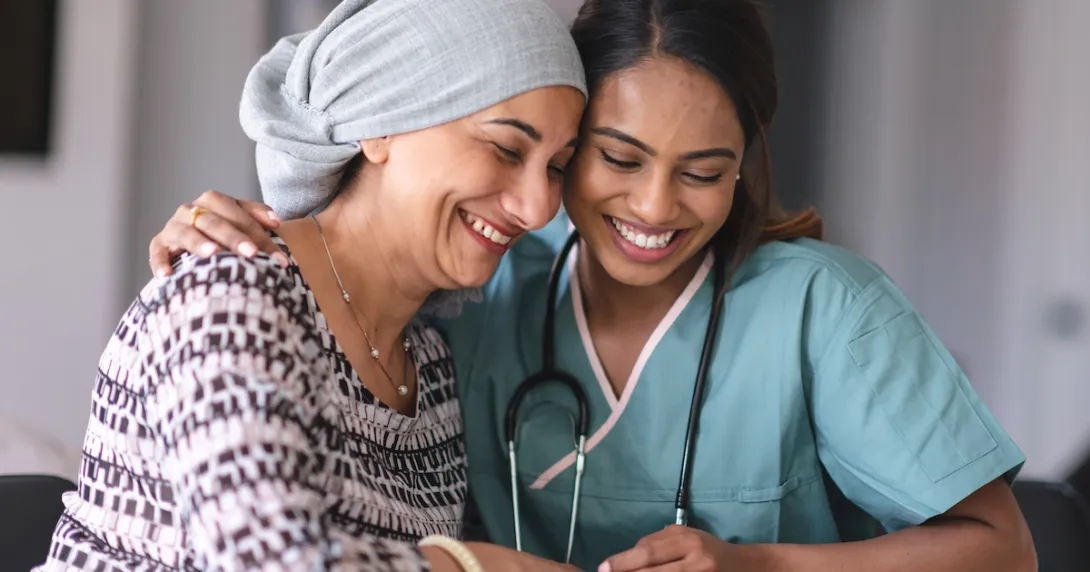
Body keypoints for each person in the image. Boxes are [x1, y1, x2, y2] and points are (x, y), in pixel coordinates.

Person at [146, 1, 1037, 571]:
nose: (655, 205)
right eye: (614, 157)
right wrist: (248, 239)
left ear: (745, 170)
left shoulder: (826, 309)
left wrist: (754, 566)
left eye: (705, 171)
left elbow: (1004, 550)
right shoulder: (476, 294)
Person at [37, 0, 588, 570]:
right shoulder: (231, 298)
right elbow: (265, 560)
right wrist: (476, 565)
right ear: (381, 123)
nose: (538, 206)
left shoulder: (429, 364)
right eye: (505, 148)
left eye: (555, 167)